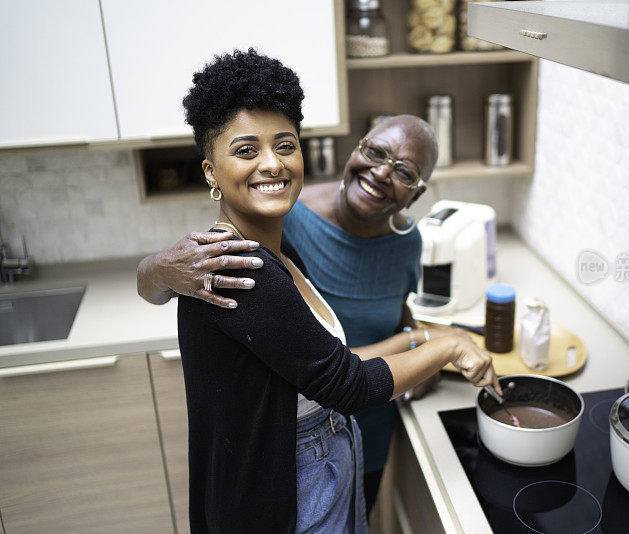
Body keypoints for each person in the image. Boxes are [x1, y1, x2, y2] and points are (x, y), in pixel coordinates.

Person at [167, 48, 499, 534]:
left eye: (285, 145)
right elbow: (349, 384)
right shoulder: (243, 270)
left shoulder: (276, 253)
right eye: (245, 150)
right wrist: (448, 343)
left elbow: (331, 359)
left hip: (318, 458)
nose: (271, 164)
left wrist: (423, 339)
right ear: (210, 172)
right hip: (286, 484)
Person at [139, 115, 450, 509]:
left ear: (416, 194)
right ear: (356, 150)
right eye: (375, 152)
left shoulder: (407, 243)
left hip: (365, 424)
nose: (382, 172)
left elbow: (397, 307)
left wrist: (420, 352)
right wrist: (152, 268)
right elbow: (343, 379)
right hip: (305, 434)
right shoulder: (283, 214)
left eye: (405, 172)